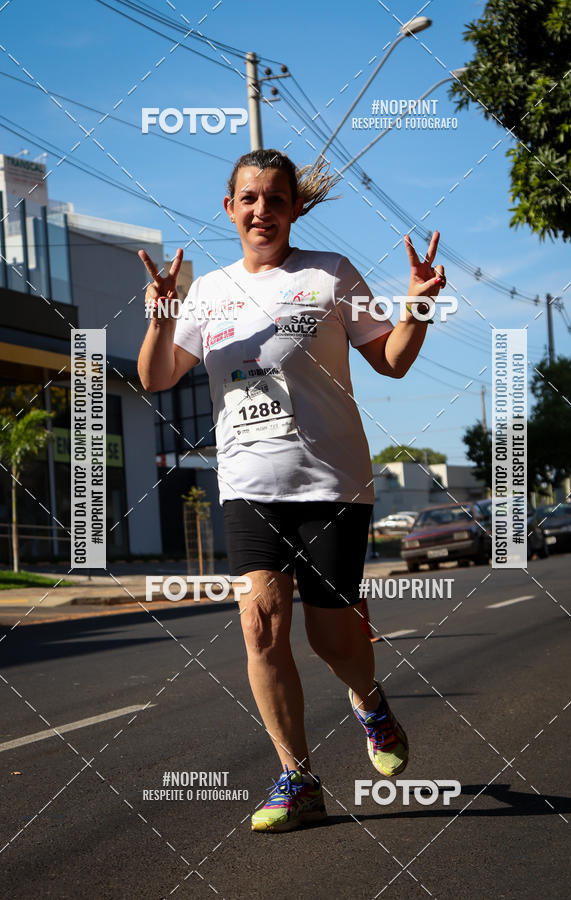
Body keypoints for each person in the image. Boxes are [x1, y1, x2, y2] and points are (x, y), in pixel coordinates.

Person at [137, 149, 446, 833]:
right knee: (261, 625)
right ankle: (298, 779)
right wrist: (162, 315)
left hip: (332, 481)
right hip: (248, 485)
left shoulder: (329, 273)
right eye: (249, 198)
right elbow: (158, 377)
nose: (262, 210)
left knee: (331, 636)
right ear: (230, 208)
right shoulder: (210, 291)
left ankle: (368, 701)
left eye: (276, 199)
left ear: (295, 208)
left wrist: (416, 309)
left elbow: (391, 361)